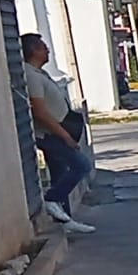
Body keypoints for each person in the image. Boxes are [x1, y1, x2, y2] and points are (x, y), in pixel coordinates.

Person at [22, 34, 96, 234]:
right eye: (43, 46)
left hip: (55, 131)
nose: (47, 50)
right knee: (81, 165)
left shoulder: (39, 73)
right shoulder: (31, 76)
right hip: (49, 134)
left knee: (59, 173)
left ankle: (64, 220)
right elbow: (40, 112)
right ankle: (51, 199)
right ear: (34, 50)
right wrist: (65, 136)